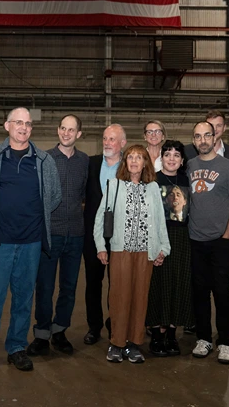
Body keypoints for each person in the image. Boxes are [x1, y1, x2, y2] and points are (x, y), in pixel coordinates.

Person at [0, 108, 61, 372]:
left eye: (28, 124)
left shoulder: (43, 161)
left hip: (31, 241)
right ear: (7, 126)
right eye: (18, 122)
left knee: (23, 297)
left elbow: (54, 196)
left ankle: (17, 347)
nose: (24, 127)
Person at [94, 145, 170, 364]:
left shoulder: (153, 188)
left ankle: (134, 344)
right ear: (125, 162)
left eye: (139, 157)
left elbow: (159, 220)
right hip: (121, 250)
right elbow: (101, 218)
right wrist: (100, 246)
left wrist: (163, 247)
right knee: (119, 297)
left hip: (145, 251)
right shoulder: (114, 185)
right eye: (130, 157)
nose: (135, 161)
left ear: (146, 162)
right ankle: (117, 343)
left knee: (140, 297)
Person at [27, 115, 88, 356]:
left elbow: (84, 194)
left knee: (69, 287)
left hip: (76, 234)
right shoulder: (45, 159)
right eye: (63, 128)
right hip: (50, 234)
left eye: (71, 130)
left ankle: (60, 331)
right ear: (58, 130)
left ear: (79, 134)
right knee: (44, 286)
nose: (66, 133)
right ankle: (42, 334)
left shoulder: (84, 161)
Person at [183, 109, 229, 339]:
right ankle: (203, 338)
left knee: (221, 291)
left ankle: (225, 340)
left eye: (207, 135)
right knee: (199, 292)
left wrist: (227, 235)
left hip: (221, 240)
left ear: (215, 137)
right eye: (198, 136)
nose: (203, 140)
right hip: (195, 240)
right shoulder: (187, 166)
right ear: (194, 140)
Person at [146, 140, 192, 357]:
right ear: (161, 158)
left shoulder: (187, 180)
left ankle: (172, 333)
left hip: (182, 238)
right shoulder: (152, 181)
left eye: (176, 155)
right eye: (167, 154)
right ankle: (156, 333)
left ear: (182, 160)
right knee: (157, 285)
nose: (171, 158)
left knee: (177, 284)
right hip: (157, 238)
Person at [82, 124, 127, 345]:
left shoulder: (130, 166)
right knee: (93, 282)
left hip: (120, 235)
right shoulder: (90, 164)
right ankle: (94, 326)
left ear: (122, 144)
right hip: (93, 234)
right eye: (105, 138)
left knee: (117, 283)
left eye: (112, 139)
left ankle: (115, 323)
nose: (107, 143)